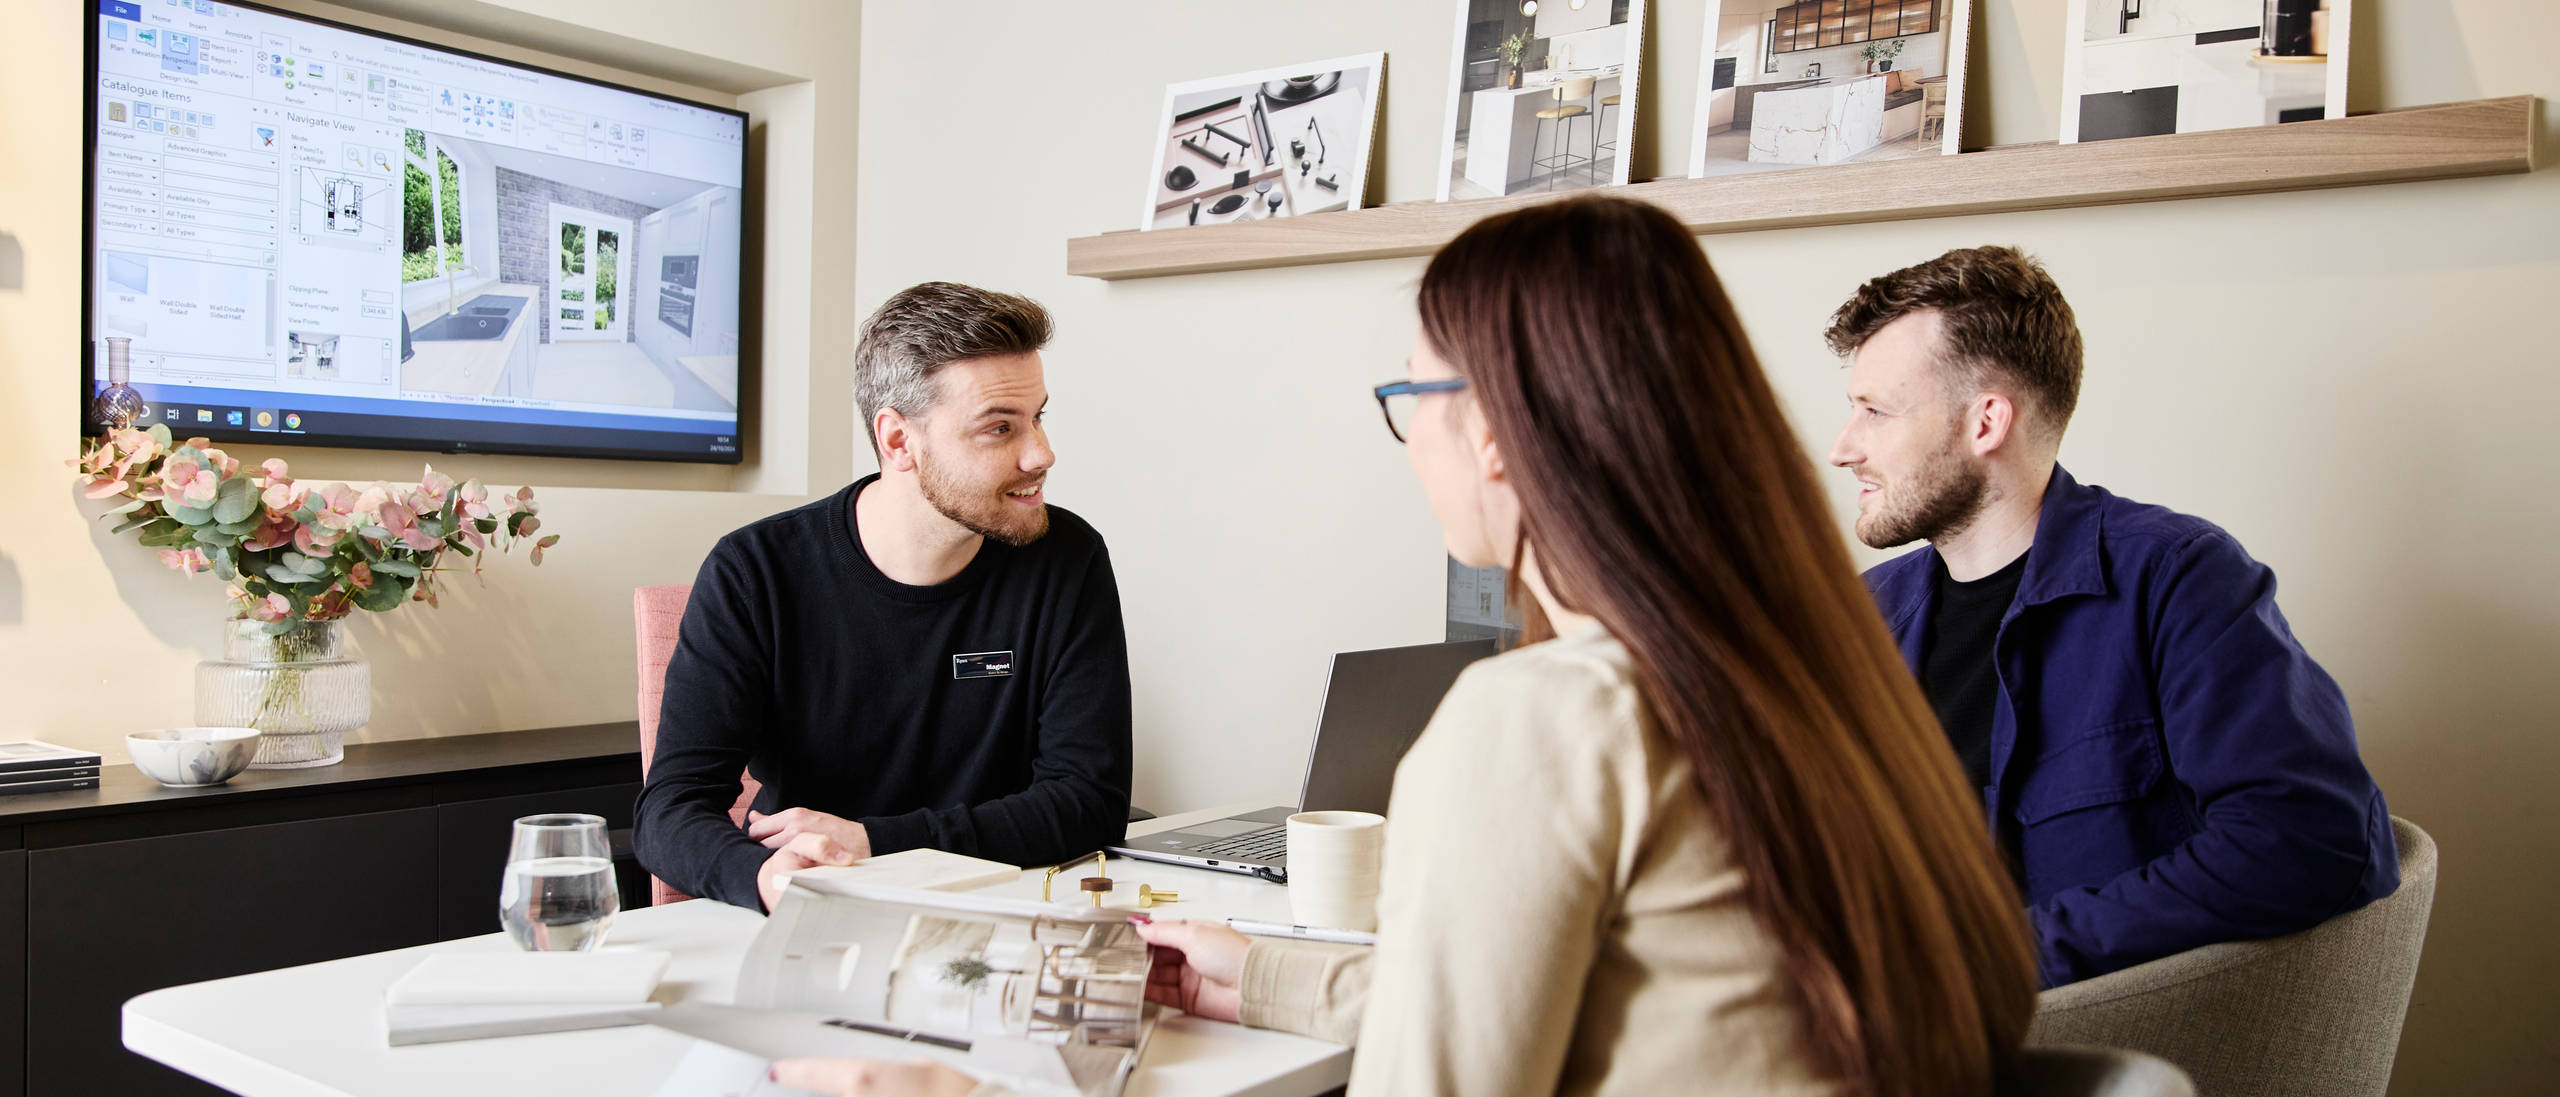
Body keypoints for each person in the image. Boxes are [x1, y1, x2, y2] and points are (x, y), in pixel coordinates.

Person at [771, 198, 2037, 1096]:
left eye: (1412, 398)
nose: (1411, 438)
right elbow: (1533, 1010)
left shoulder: (1550, 715)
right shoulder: (1834, 675)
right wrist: (1237, 971)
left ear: (1494, 433)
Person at [1821, 245, 2399, 987]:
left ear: (1986, 421)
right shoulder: (1867, 616)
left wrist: (2008, 958)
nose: (1844, 448)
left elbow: (2312, 838)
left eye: (1876, 412)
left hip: (2076, 1046)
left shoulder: (2177, 577)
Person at [634, 281, 1133, 914]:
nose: (1041, 453)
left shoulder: (1066, 558)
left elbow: (1090, 800)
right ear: (898, 441)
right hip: (817, 910)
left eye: (1038, 417)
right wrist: (769, 879)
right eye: (999, 428)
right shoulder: (755, 572)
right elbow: (670, 810)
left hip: (998, 911)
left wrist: (876, 842)